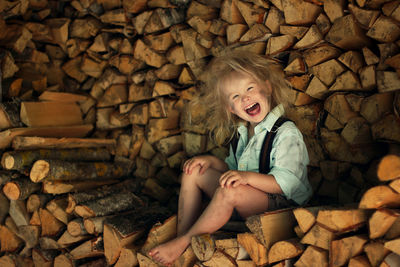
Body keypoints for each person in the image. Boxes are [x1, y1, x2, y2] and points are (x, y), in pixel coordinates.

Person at [148, 50, 312, 266]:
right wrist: (211, 162)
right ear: (231, 108)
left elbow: (285, 184)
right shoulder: (243, 133)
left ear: (267, 88)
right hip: (250, 200)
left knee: (229, 190)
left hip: (284, 207)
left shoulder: (284, 132)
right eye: (235, 97)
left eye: (250, 88)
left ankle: (183, 242)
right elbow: (232, 170)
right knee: (194, 171)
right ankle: (184, 232)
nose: (245, 98)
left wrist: (245, 178)